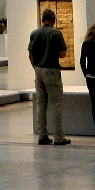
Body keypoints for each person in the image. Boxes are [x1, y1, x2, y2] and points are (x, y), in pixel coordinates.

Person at [28, 9, 69, 145]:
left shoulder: (34, 33)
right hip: (51, 70)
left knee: (41, 105)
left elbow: (30, 55)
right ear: (53, 20)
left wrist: (36, 67)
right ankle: (58, 137)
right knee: (56, 104)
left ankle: (42, 135)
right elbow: (62, 53)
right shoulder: (56, 33)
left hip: (38, 70)